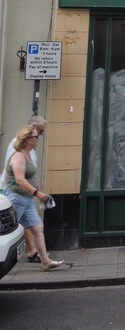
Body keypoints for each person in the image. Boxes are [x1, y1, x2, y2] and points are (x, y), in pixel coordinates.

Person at [3, 125, 64, 271]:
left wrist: (34, 187)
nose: (39, 139)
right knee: (7, 232)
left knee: (37, 228)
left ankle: (45, 261)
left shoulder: (29, 154)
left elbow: (27, 177)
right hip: (16, 199)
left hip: (26, 199)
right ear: (28, 139)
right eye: (36, 137)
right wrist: (38, 194)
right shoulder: (18, 156)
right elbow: (19, 180)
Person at [1, 115, 47, 262]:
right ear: (32, 131)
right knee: (11, 227)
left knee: (34, 226)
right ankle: (31, 252)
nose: (40, 136)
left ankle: (41, 258)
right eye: (39, 132)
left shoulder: (30, 149)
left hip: (24, 195)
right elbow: (17, 176)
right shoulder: (19, 149)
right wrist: (36, 192)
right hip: (14, 194)